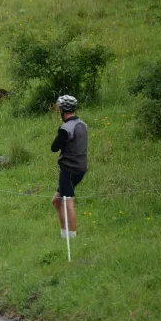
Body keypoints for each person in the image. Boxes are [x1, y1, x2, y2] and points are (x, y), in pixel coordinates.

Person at [51, 95, 88, 240]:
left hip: (68, 170)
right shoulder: (83, 124)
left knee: (68, 200)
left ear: (62, 109)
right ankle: (63, 234)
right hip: (81, 168)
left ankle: (71, 237)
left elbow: (54, 147)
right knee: (57, 201)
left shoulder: (66, 128)